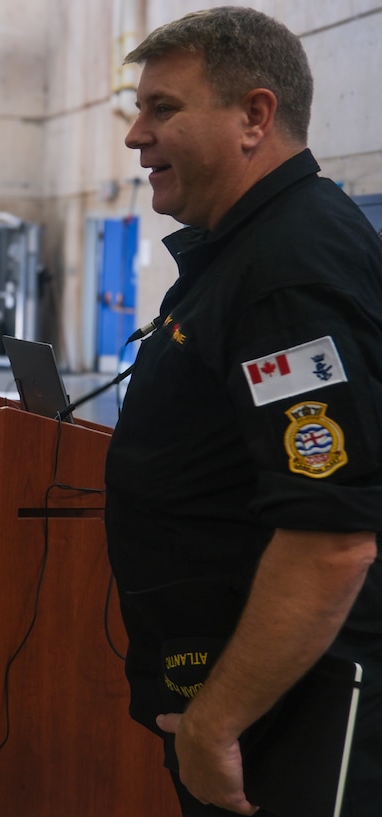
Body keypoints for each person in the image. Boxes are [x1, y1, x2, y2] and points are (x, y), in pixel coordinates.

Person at [105, 8, 382, 816]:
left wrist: (216, 722)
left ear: (254, 116)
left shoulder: (286, 269)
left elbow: (330, 534)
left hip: (294, 709)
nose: (135, 135)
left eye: (163, 108)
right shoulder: (246, 247)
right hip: (244, 687)